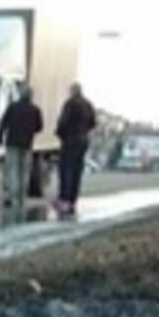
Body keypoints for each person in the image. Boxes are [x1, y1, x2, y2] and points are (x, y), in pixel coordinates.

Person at [0, 85, 43, 221]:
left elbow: (3, 123)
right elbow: (40, 127)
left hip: (12, 143)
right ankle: (22, 199)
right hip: (27, 144)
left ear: (20, 95)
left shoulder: (13, 107)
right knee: (24, 172)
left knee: (13, 171)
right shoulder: (35, 110)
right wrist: (30, 130)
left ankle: (14, 197)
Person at [56, 82, 97, 217]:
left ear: (73, 91)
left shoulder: (70, 104)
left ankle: (64, 200)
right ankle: (73, 200)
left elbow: (63, 122)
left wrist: (61, 134)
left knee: (66, 170)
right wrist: (84, 131)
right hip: (83, 140)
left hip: (70, 140)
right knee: (77, 172)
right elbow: (93, 123)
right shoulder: (88, 105)